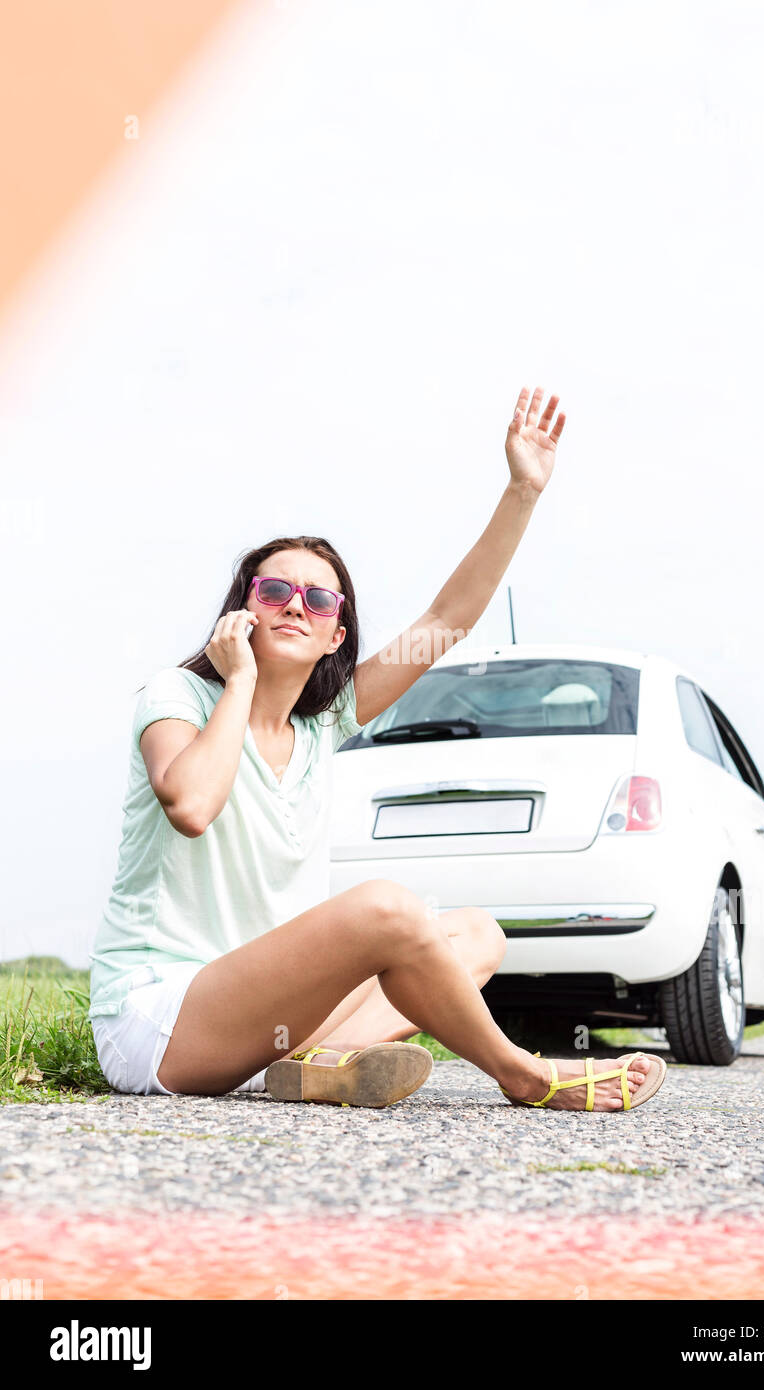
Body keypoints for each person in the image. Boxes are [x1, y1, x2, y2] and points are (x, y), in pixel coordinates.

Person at [88, 385, 666, 1111]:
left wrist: (522, 489)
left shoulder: (325, 723)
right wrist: (237, 681)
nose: (296, 603)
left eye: (320, 599)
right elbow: (193, 805)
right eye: (275, 591)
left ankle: (321, 1062)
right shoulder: (177, 697)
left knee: (473, 935)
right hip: (161, 1024)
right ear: (242, 613)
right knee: (385, 910)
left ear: (337, 635)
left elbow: (446, 620)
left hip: (264, 1015)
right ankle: (524, 1072)